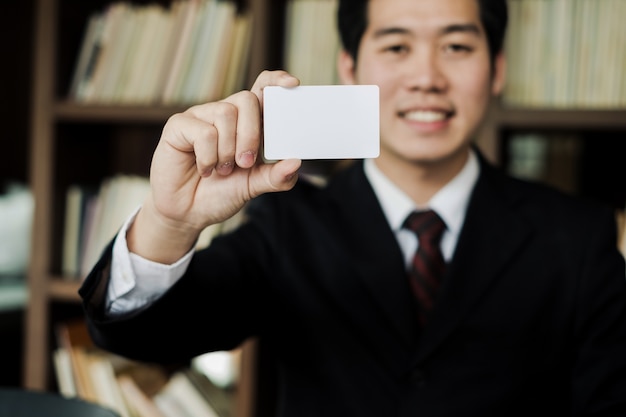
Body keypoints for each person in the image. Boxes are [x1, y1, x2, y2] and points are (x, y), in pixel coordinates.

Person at [79, 0, 626, 415]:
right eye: (395, 47)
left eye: (457, 46)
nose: (426, 78)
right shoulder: (289, 222)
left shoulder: (578, 237)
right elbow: (139, 335)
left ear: (498, 69)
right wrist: (171, 222)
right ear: (349, 66)